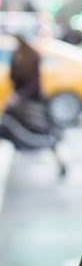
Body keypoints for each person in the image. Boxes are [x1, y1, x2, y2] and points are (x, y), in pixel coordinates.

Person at [0, 34, 66, 176]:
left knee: (45, 133)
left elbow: (34, 83)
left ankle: (59, 162)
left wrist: (19, 96)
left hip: (32, 102)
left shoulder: (31, 56)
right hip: (22, 102)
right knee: (11, 128)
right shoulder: (18, 56)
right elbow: (13, 79)